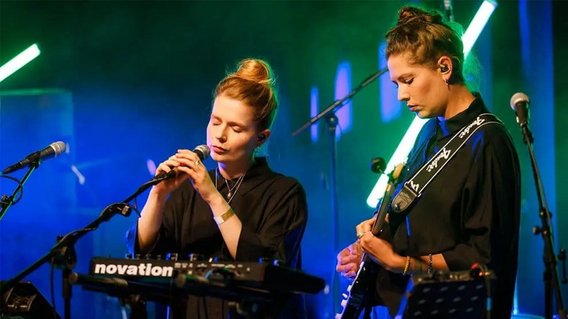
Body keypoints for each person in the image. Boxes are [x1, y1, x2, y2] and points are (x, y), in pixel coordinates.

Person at [336, 5, 520, 318]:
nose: (400, 95)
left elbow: (483, 257)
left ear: (445, 67)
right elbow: (425, 233)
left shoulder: (488, 141)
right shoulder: (428, 132)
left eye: (408, 80)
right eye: (396, 84)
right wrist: (376, 244)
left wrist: (399, 263)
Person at [126, 58, 308, 319]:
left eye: (235, 128)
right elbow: (141, 252)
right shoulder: (186, 189)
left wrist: (212, 196)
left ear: (261, 137)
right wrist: (159, 194)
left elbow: (261, 265)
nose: (219, 135)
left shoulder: (285, 192)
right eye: (215, 121)